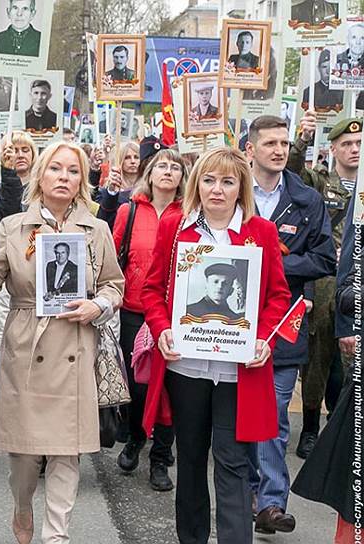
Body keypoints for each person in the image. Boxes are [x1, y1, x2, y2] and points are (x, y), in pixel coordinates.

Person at [0, 141, 124, 544]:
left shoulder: (97, 229)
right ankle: (21, 506)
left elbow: (114, 284)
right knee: (25, 458)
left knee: (68, 452)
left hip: (76, 342)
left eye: (72, 171)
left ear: (82, 179)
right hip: (26, 342)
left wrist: (98, 305)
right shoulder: (13, 227)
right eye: (56, 169)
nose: (64, 177)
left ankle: (56, 536)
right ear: (40, 175)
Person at [141, 147, 291, 544]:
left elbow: (278, 296)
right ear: (197, 184)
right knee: (189, 461)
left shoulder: (262, 232)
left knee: (233, 463)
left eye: (228, 181)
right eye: (209, 180)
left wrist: (263, 336)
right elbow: (152, 290)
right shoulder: (175, 228)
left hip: (237, 371)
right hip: (185, 367)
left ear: (241, 186)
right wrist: (161, 329)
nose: (217, 190)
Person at [242, 114, 336, 534]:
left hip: (283, 321)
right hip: (231, 318)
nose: (279, 150)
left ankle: (271, 503)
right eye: (270, 144)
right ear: (251, 149)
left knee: (274, 414)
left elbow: (324, 258)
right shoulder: (229, 189)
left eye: (284, 143)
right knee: (237, 416)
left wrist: (274, 261)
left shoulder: (306, 198)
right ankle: (242, 494)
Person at [112, 148, 186, 492]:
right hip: (134, 310)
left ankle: (160, 458)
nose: (168, 172)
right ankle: (136, 439)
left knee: (170, 389)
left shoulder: (190, 215)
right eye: (162, 166)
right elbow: (114, 259)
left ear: (184, 178)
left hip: (175, 316)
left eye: (176, 167)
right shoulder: (129, 210)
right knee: (139, 386)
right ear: (151, 173)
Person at [287, 112, 359, 459]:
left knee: (348, 363)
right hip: (326, 281)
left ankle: (341, 428)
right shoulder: (319, 181)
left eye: (359, 144)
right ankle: (311, 428)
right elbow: (294, 173)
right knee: (317, 359)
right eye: (347, 144)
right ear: (333, 149)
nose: (354, 150)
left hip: (356, 282)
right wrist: (301, 138)